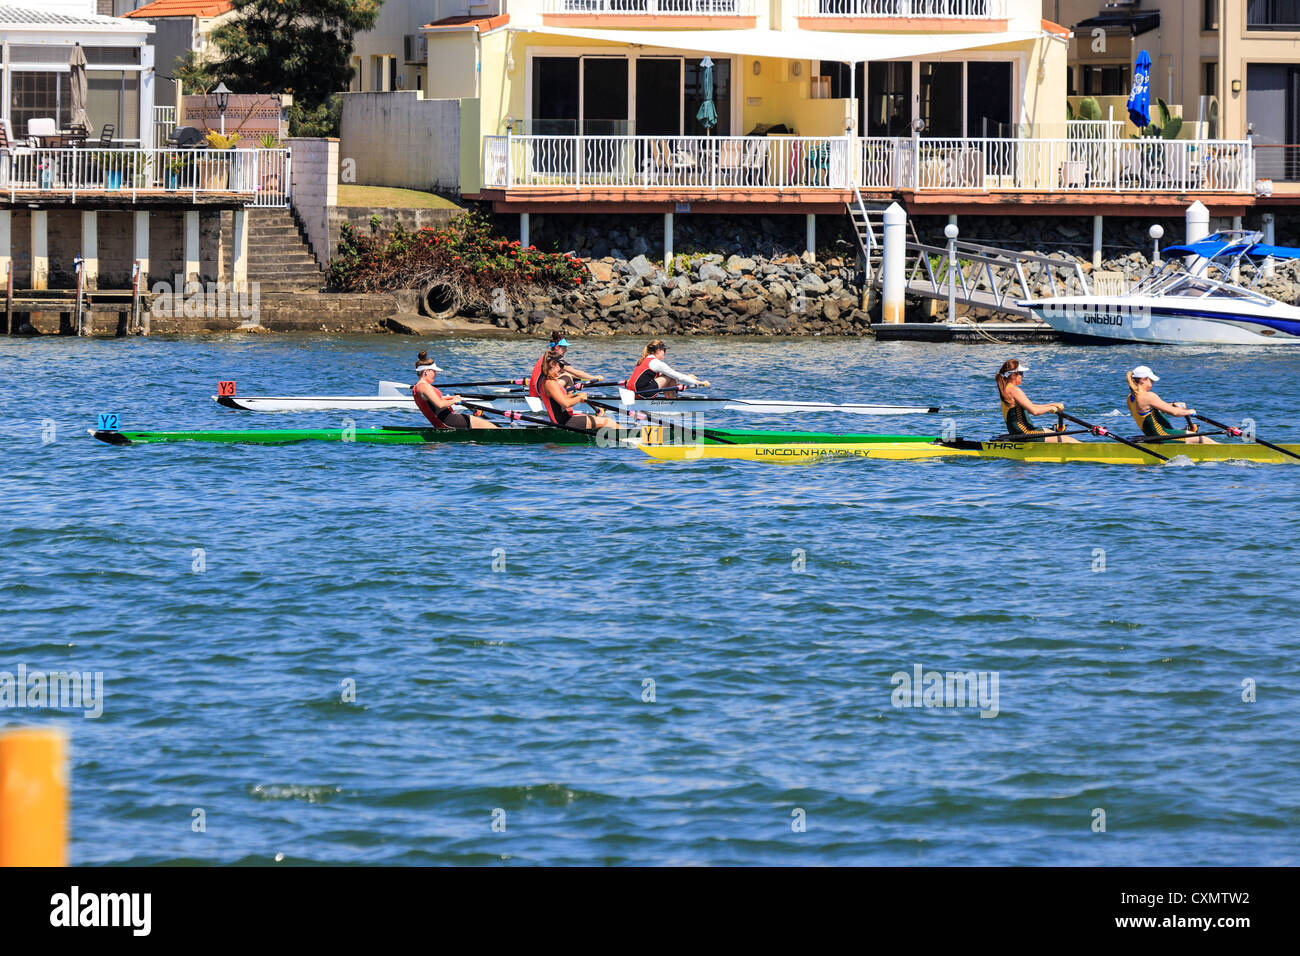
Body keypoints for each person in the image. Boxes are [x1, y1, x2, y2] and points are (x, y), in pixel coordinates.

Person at [1126, 365, 1217, 443]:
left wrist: (1173, 404)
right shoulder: (1148, 396)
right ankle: (1228, 454)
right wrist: (1189, 411)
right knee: (1202, 439)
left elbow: (1157, 408)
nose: (1153, 383)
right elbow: (1175, 413)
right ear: (1143, 380)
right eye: (1151, 380)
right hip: (1163, 435)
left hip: (1153, 436)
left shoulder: (1130, 398)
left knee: (1189, 434)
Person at [995, 359, 1079, 443]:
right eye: (1021, 373)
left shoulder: (1007, 389)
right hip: (1026, 433)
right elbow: (1035, 411)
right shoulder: (1014, 390)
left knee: (1055, 434)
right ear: (1013, 375)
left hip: (1019, 432)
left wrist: (1053, 405)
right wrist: (1050, 408)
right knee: (1070, 441)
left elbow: (1031, 406)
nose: (1023, 376)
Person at [410, 352, 497, 430]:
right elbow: (439, 405)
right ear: (426, 372)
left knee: (486, 425)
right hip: (448, 420)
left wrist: (451, 398)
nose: (436, 374)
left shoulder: (417, 386)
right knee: (493, 427)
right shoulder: (424, 386)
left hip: (444, 420)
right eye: (434, 371)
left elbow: (433, 403)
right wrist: (454, 400)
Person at [536, 350, 620, 431]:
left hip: (563, 419)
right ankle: (627, 436)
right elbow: (566, 403)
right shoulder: (550, 383)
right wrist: (579, 398)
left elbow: (561, 398)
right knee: (609, 422)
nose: (562, 369)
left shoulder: (545, 380)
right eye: (560, 366)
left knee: (599, 418)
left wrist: (576, 395)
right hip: (565, 422)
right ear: (552, 364)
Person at [625, 340, 711, 396]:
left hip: (633, 392)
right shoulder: (656, 362)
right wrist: (700, 383)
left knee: (666, 375)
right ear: (658, 351)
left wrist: (687, 377)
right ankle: (671, 401)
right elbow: (677, 375)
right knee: (670, 376)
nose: (665, 353)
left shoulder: (644, 359)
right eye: (664, 350)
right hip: (642, 393)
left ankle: (670, 398)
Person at [527, 332, 600, 397]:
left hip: (535, 391)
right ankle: (570, 400)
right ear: (557, 347)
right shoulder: (556, 360)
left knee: (566, 374)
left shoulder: (546, 356)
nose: (566, 350)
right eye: (564, 348)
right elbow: (577, 373)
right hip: (540, 393)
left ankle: (567, 396)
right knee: (567, 376)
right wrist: (594, 377)